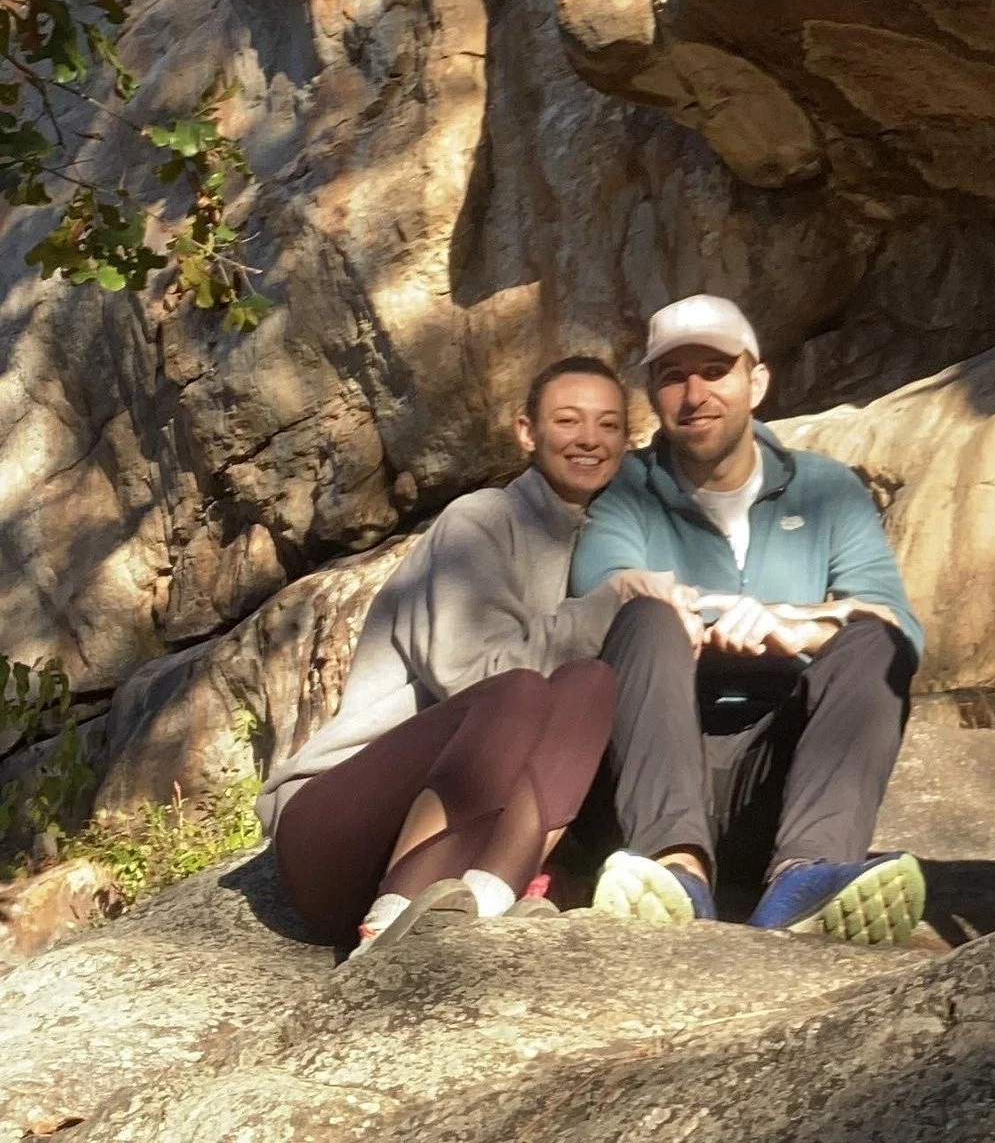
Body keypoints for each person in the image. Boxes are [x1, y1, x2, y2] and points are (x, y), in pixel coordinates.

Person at [257, 357, 695, 953]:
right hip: (337, 834)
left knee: (589, 683)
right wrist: (608, 601)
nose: (589, 439)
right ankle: (392, 917)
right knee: (518, 691)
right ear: (526, 431)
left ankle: (494, 893)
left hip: (468, 847)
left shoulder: (612, 537)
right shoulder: (479, 522)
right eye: (568, 420)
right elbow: (474, 678)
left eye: (609, 425)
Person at [569, 295, 926, 943]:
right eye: (674, 375)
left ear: (755, 380)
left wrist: (794, 625)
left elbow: (898, 622)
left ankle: (806, 879)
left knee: (875, 643)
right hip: (647, 772)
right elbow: (603, 585)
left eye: (715, 369)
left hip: (775, 782)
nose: (695, 391)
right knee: (644, 618)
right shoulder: (623, 490)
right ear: (652, 390)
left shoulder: (827, 489)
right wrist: (677, 609)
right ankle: (672, 875)